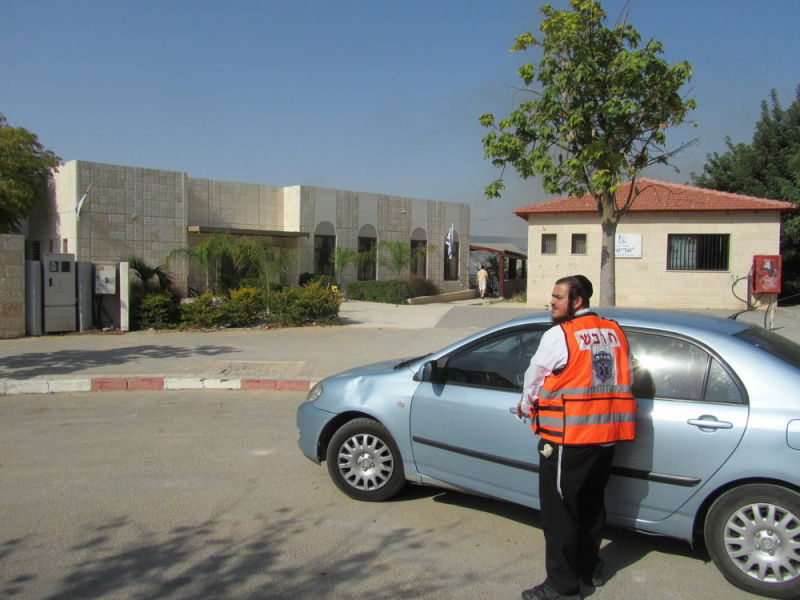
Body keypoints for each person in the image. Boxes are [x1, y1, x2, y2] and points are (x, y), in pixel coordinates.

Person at [516, 275, 636, 600]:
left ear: (577, 300)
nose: (552, 302)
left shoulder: (561, 334)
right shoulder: (614, 331)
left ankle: (562, 587)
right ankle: (589, 568)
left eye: (558, 296)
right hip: (607, 437)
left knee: (559, 516)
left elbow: (534, 376)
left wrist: (526, 406)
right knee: (591, 507)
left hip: (568, 439)